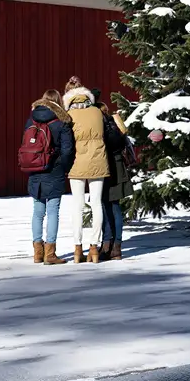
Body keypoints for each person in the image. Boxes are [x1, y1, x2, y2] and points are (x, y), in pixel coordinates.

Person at [63, 81, 122, 262]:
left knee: (77, 206)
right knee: (96, 204)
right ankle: (94, 248)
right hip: (98, 161)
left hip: (77, 164)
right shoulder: (97, 112)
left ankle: (77, 248)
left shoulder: (69, 115)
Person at [23, 89, 74, 264]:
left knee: (38, 212)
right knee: (53, 211)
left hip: (35, 168)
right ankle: (50, 253)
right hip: (55, 169)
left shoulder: (32, 118)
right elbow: (67, 150)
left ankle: (37, 252)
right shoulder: (62, 121)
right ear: (58, 101)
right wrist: (65, 167)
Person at [99, 113, 134, 260]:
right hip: (118, 165)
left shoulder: (100, 124)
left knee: (106, 205)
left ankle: (107, 244)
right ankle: (116, 246)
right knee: (115, 206)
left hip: (104, 166)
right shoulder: (115, 123)